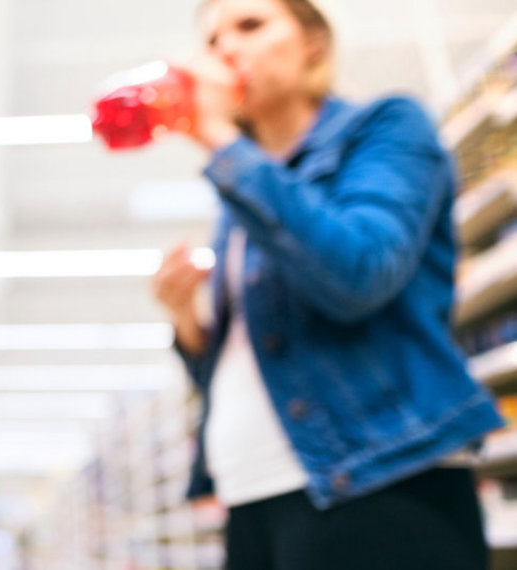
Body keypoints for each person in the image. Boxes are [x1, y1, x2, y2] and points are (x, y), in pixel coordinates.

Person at [150, 0, 504, 568]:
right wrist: (186, 320)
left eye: (250, 25)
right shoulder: (242, 195)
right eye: (213, 41)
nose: (226, 50)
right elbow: (240, 363)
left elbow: (359, 275)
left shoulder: (386, 127)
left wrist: (218, 135)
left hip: (377, 481)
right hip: (253, 492)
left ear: (313, 42)